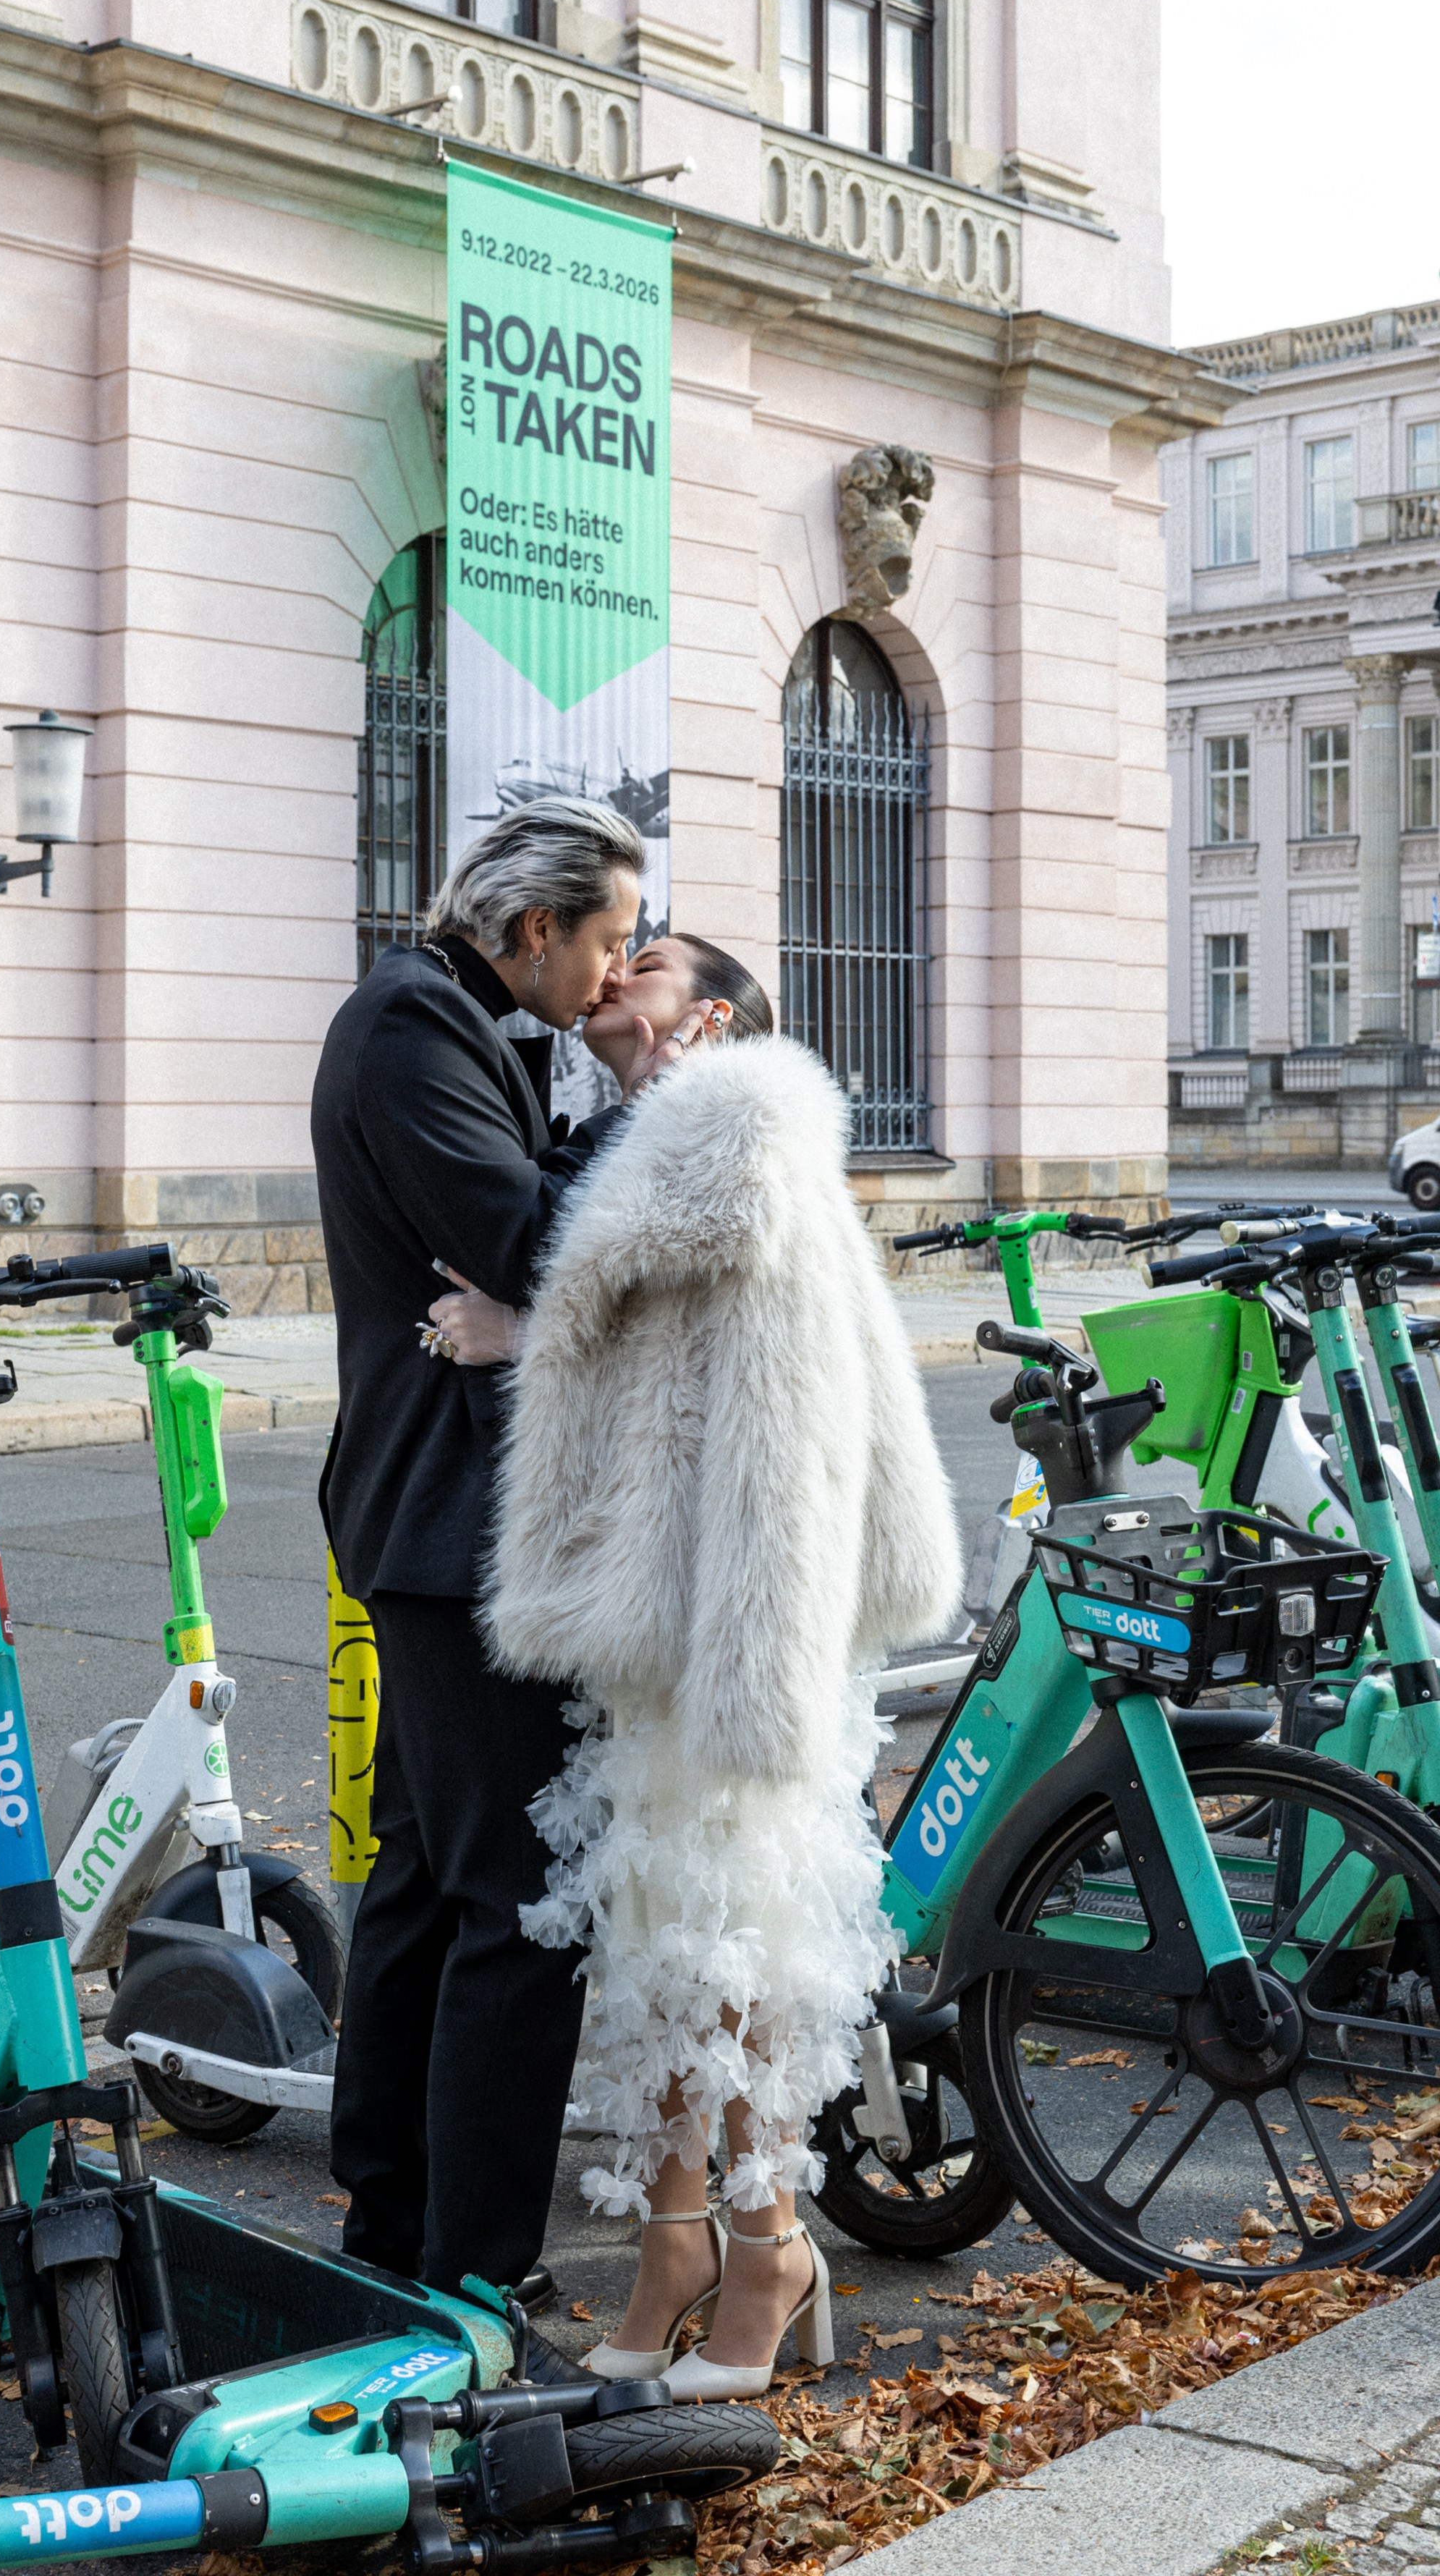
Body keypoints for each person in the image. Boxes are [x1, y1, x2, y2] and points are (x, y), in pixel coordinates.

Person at [431, 937, 961, 2396]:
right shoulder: (665, 1136)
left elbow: (775, 1390)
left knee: (727, 1930)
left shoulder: (731, 1124)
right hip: (680, 1606)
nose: (613, 967)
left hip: (737, 1611)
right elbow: (686, 1344)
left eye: (646, 960)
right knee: (667, 1932)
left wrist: (522, 1330)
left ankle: (769, 2240)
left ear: (709, 1014)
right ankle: (679, 2246)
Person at [310, 797, 712, 2302]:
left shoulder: (444, 1025)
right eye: (604, 940)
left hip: (438, 1516)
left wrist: (611, 1115)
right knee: (517, 1909)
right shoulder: (413, 1028)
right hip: (462, 1522)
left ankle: (395, 2230)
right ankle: (475, 2272)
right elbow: (539, 1239)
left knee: (425, 1880)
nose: (609, 976)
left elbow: (534, 1216)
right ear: (530, 929)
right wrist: (653, 1110)